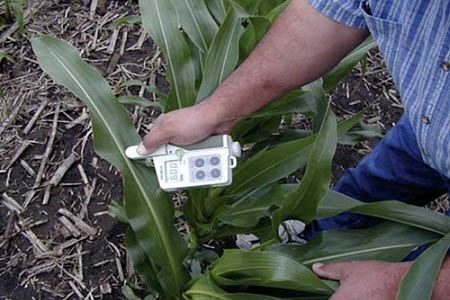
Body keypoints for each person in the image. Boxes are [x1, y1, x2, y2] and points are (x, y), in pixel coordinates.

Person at [137, 1, 450, 298]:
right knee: (363, 190)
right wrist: (213, 112)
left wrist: (411, 285)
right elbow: (329, 12)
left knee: (415, 270)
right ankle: (308, 243)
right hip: (429, 123)